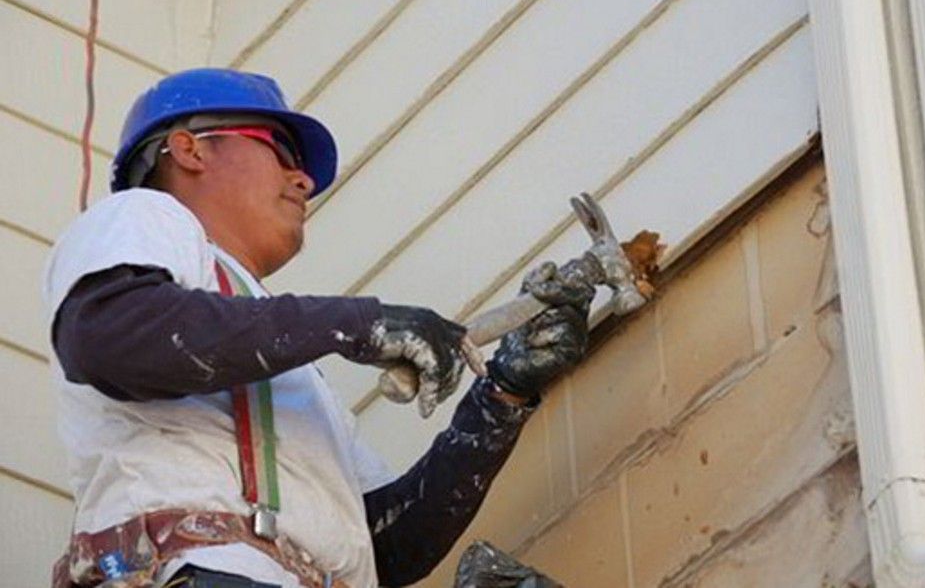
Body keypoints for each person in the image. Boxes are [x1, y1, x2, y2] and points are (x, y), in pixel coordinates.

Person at [44, 68, 595, 588]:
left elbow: (387, 546)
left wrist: (502, 394)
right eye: (281, 149)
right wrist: (356, 323)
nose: (303, 178)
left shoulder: (295, 373)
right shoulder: (145, 217)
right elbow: (112, 337)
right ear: (189, 149)